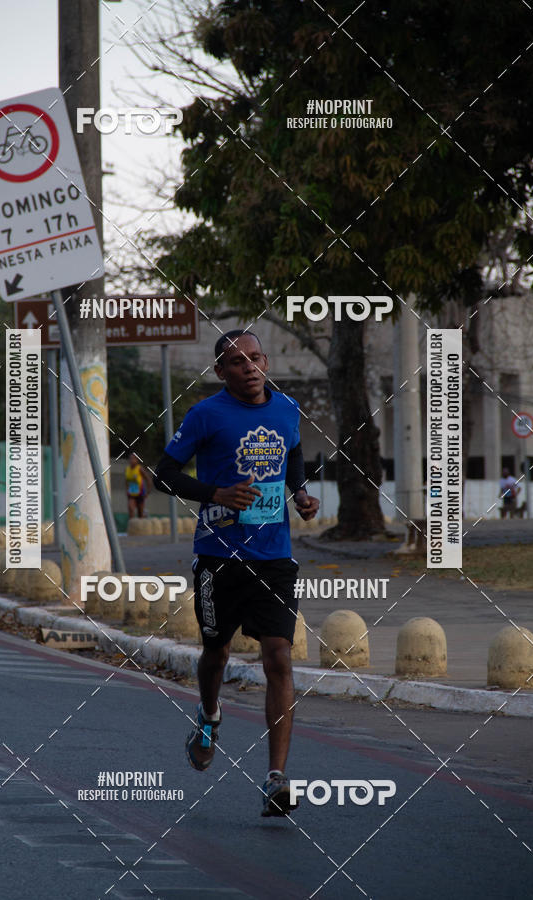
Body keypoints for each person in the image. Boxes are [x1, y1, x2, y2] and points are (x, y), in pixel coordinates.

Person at [153, 330, 319, 817]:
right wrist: (215, 493)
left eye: (255, 357)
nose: (249, 366)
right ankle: (208, 714)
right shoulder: (207, 414)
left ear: (266, 361)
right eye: (236, 361)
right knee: (216, 652)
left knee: (280, 658)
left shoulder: (286, 408)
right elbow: (164, 473)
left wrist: (301, 495)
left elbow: (292, 458)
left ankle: (276, 778)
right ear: (221, 371)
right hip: (218, 557)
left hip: (274, 555)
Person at [125, 452, 152, 519]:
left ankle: (145, 515)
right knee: (131, 509)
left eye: (133, 459)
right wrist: (127, 489)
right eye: (130, 458)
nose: (131, 460)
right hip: (131, 493)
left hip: (140, 493)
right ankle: (131, 526)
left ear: (137, 460)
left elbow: (148, 479)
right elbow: (126, 481)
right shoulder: (127, 469)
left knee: (140, 514)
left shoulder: (139, 469)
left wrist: (148, 491)